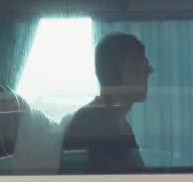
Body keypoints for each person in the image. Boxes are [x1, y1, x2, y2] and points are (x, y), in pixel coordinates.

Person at [60, 32, 152, 173]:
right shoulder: (91, 121)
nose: (148, 71)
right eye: (137, 61)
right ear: (113, 71)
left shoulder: (119, 122)